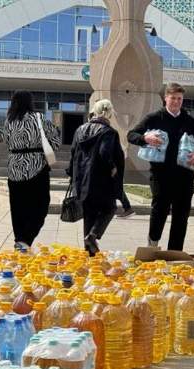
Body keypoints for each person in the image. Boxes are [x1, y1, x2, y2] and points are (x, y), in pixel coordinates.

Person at [128, 83, 194, 251]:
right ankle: (152, 244)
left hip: (185, 177)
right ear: (165, 98)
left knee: (181, 215)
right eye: (173, 98)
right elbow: (131, 135)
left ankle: (174, 251)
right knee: (159, 210)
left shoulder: (190, 121)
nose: (176, 102)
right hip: (160, 175)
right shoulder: (154, 118)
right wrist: (146, 138)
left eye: (179, 99)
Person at [2, 91, 61, 252]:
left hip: (14, 168)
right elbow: (55, 142)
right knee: (40, 206)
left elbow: (6, 141)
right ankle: (26, 240)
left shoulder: (9, 121)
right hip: (36, 167)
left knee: (18, 208)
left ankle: (20, 239)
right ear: (30, 102)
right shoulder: (38, 118)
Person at [67, 99, 125, 256]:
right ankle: (93, 235)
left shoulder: (79, 130)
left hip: (82, 181)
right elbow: (105, 152)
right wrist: (113, 167)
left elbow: (73, 153)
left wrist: (71, 174)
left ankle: (89, 254)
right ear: (109, 113)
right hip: (101, 181)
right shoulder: (108, 132)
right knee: (110, 208)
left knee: (89, 215)